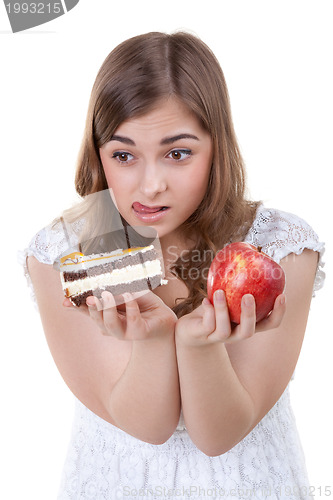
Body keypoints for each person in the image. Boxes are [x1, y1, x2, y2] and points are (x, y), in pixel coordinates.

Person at [22, 31, 325, 499]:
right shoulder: (65, 255)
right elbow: (148, 427)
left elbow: (219, 436)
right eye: (123, 155)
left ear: (217, 148)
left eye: (177, 153)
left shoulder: (276, 247)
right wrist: (154, 340)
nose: (150, 186)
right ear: (99, 155)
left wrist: (198, 347)